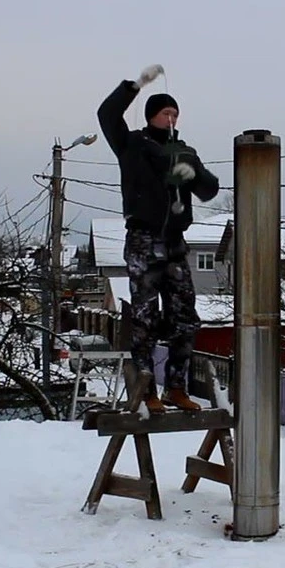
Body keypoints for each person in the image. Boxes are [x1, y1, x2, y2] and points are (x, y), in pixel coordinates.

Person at [97, 64, 219, 412]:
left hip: (176, 243)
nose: (171, 119)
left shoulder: (184, 151)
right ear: (152, 115)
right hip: (143, 240)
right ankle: (146, 389)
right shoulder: (132, 144)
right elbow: (107, 115)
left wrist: (191, 172)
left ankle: (176, 388)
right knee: (145, 319)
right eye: (166, 113)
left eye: (175, 114)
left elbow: (209, 190)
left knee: (185, 318)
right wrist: (135, 86)